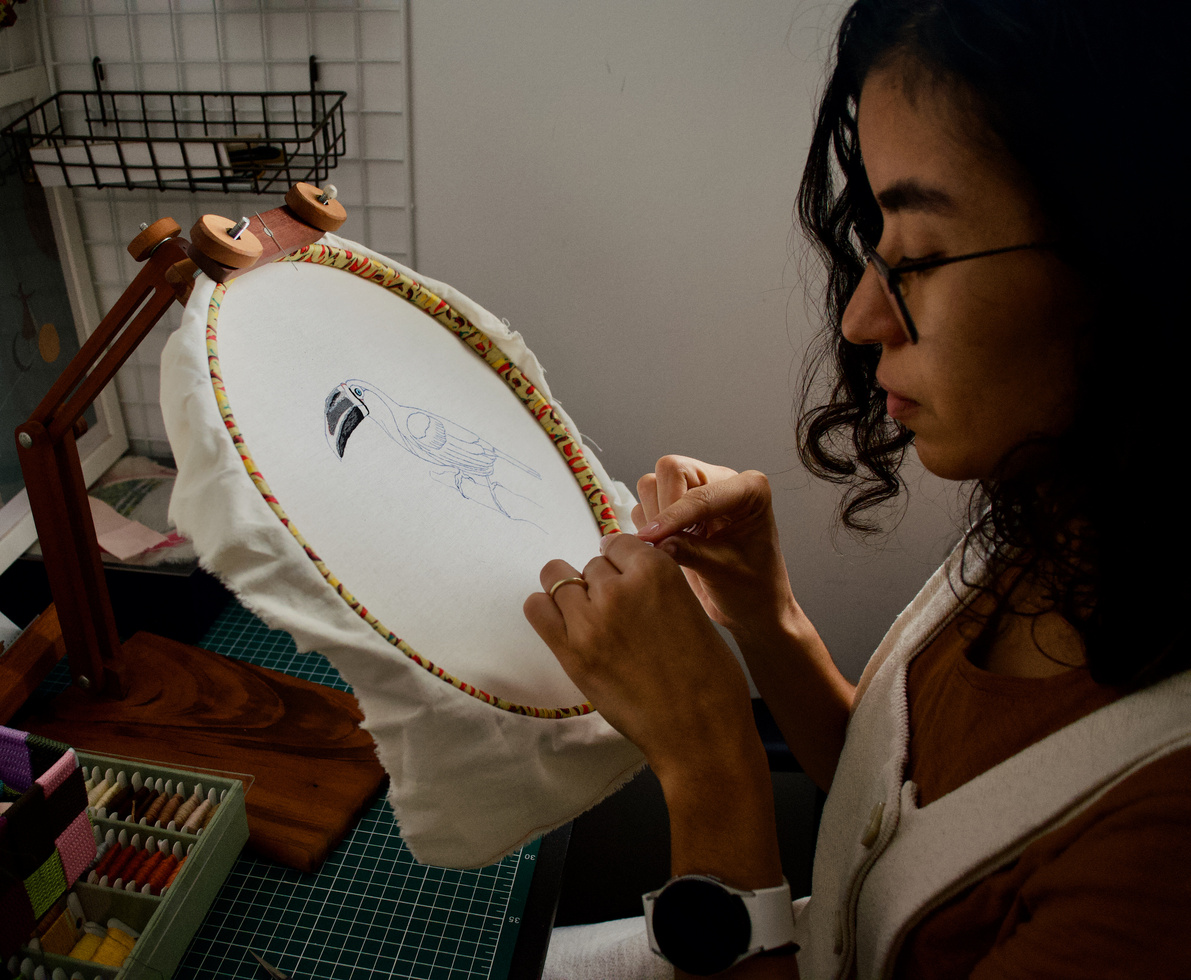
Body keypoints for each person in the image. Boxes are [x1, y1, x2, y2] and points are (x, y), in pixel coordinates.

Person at [524, 0, 1191, 977]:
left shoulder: (1161, 869)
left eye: (921, 257)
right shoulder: (1060, 513)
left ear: (1142, 259)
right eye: (878, 244)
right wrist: (766, 612)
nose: (862, 316)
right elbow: (903, 821)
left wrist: (708, 762)